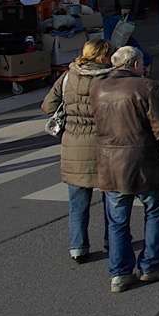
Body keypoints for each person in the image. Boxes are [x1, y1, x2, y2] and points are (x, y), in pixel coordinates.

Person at [93, 45, 159, 292]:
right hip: (143, 162)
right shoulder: (146, 87)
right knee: (153, 211)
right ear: (136, 64)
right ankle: (151, 266)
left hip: (110, 163)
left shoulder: (98, 87)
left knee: (117, 221)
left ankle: (120, 273)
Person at [43, 37, 114, 264]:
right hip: (104, 145)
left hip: (73, 146)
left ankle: (78, 247)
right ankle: (111, 241)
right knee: (111, 199)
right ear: (102, 56)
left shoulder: (67, 76)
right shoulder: (109, 78)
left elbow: (48, 106)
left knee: (77, 203)